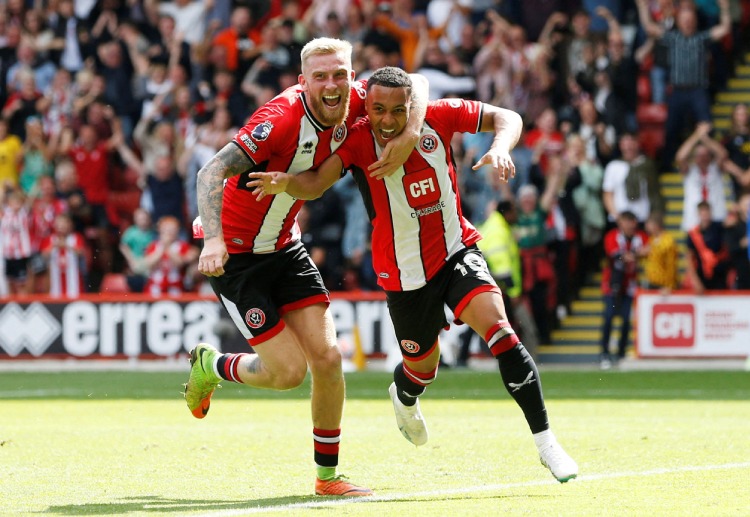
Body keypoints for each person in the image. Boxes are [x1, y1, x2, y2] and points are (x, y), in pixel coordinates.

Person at [247, 66, 578, 483]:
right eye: (378, 110)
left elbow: (507, 117)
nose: (387, 120)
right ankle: (405, 395)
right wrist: (287, 183)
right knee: (423, 368)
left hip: (456, 251)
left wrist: (501, 148)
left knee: (500, 331)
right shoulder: (357, 140)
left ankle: (547, 443)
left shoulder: (437, 116)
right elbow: (317, 183)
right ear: (366, 106)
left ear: (411, 107)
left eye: (397, 111)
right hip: (403, 274)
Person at [185, 38, 429, 497]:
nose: (332, 85)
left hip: (285, 247)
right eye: (321, 77)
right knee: (288, 373)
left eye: (340, 74)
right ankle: (211, 366)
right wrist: (214, 239)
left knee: (329, 359)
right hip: (236, 257)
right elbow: (210, 173)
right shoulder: (278, 121)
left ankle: (328, 478)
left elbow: (417, 82)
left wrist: (412, 131)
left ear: (353, 77)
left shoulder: (358, 97)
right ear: (303, 82)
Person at [599, 211, 648, 369]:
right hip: (612, 284)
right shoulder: (612, 236)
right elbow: (617, 256)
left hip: (630, 285)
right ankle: (605, 353)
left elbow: (648, 250)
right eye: (625, 221)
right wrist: (635, 254)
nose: (628, 225)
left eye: (630, 221)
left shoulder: (640, 237)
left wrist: (634, 255)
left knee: (626, 319)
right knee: (609, 317)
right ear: (620, 223)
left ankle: (620, 353)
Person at [643, 211, 679, 293]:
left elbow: (671, 265)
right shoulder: (652, 239)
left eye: (648, 224)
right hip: (652, 282)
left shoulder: (668, 241)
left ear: (655, 225)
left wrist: (669, 286)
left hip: (664, 285)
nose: (646, 226)